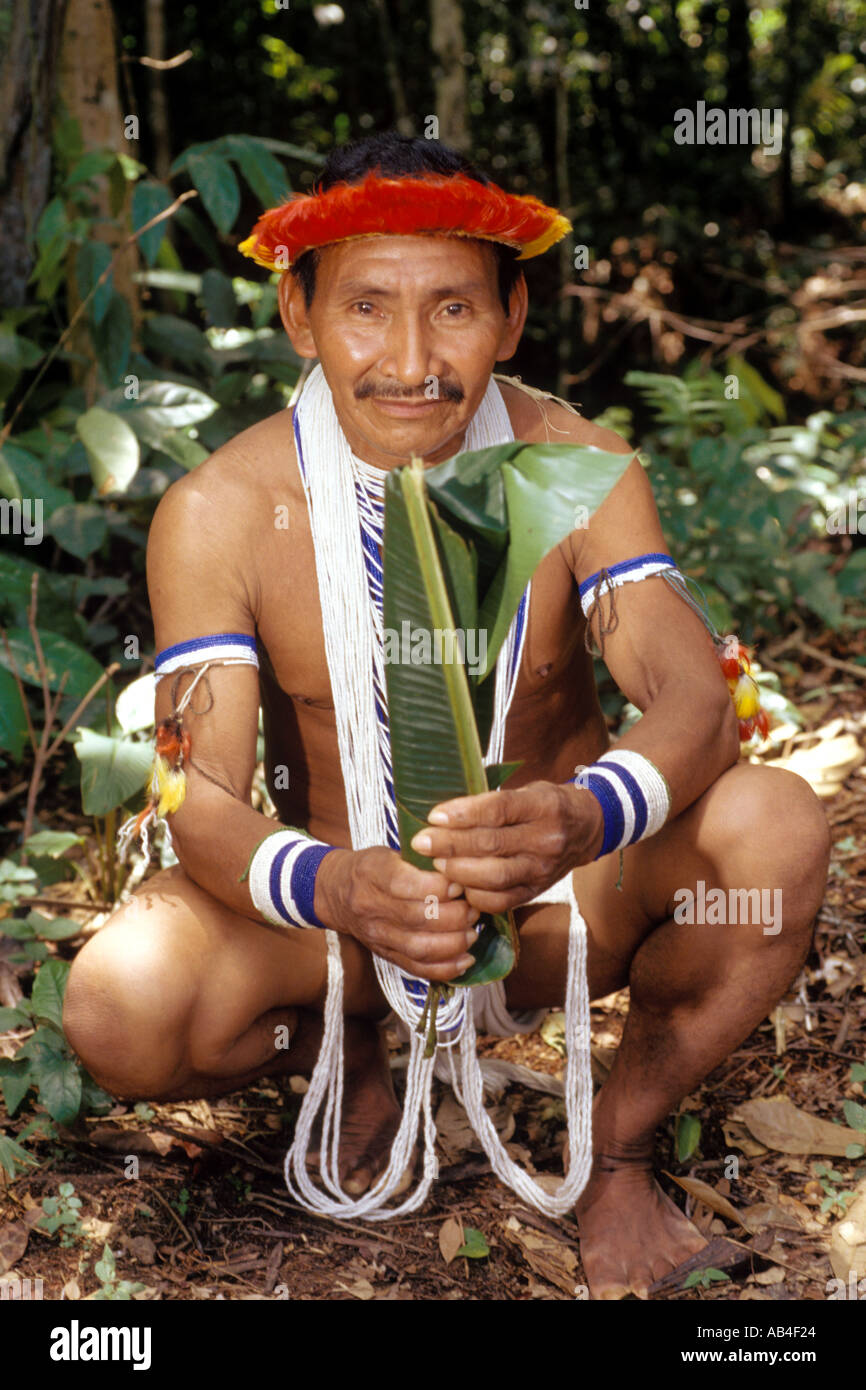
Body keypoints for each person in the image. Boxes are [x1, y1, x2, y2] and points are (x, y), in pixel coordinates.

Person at [63, 133, 830, 1299]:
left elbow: (693, 699)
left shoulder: (577, 465)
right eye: (365, 307)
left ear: (512, 317)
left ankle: (614, 1155)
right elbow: (198, 801)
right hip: (343, 925)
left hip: (557, 908)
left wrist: (581, 819)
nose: (410, 360)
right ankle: (347, 1048)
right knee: (121, 1005)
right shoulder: (221, 509)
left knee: (772, 834)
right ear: (298, 317)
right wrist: (336, 887)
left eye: (453, 309)